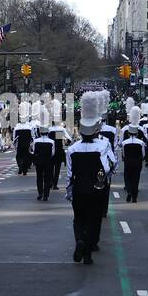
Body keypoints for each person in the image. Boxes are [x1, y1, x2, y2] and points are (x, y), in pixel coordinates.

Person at [66, 91, 112, 265]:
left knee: (78, 218)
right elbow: (108, 167)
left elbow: (70, 175)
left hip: (78, 188)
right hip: (96, 189)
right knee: (93, 220)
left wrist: (69, 192)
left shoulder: (72, 149)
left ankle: (79, 240)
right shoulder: (103, 146)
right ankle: (88, 251)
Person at [120, 105, 147, 202]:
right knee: (136, 177)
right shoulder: (141, 143)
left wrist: (124, 158)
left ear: (128, 133)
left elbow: (123, 153)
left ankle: (129, 190)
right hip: (137, 161)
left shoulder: (124, 143)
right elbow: (143, 154)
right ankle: (134, 196)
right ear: (136, 133)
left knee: (127, 176)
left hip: (128, 160)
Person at [31, 106, 57, 201]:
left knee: (39, 177)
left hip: (39, 161)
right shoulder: (51, 142)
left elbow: (34, 151)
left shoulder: (36, 141)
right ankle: (46, 195)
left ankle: (40, 193)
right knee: (47, 178)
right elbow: (53, 153)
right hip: (48, 162)